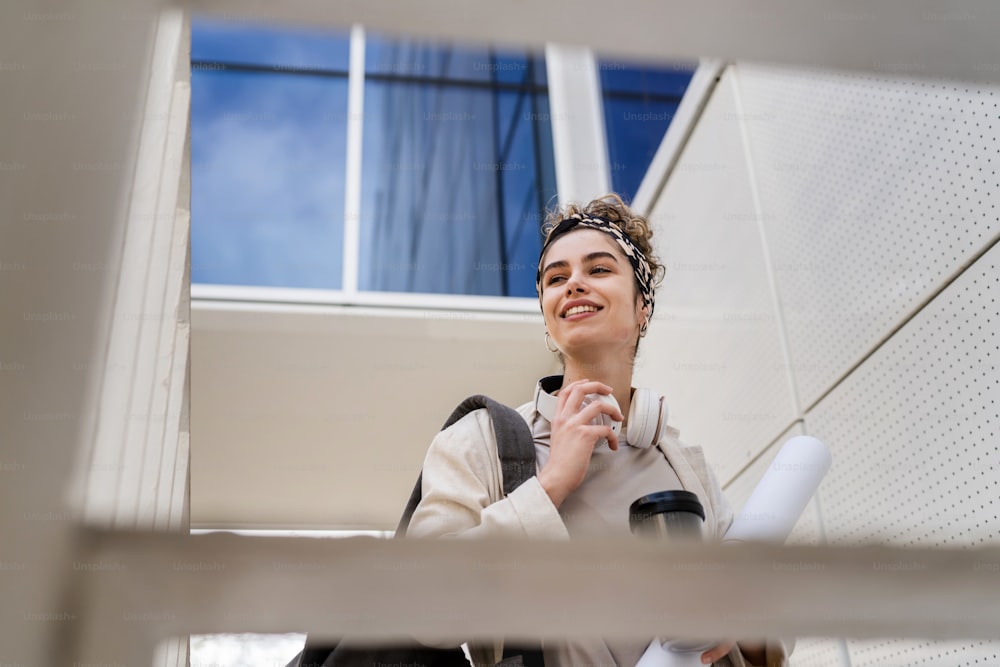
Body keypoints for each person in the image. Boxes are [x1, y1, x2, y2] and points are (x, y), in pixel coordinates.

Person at [406, 194, 788, 667]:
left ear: (642, 308)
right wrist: (549, 487)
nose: (574, 285)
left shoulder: (684, 463)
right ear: (547, 315)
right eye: (556, 278)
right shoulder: (479, 441)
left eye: (599, 270)